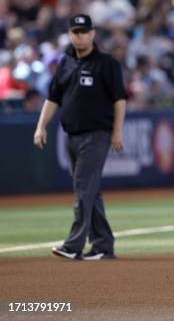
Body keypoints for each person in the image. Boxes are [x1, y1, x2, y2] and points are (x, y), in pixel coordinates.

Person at [33, 14, 128, 260]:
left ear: (93, 34)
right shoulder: (65, 63)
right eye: (75, 32)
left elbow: (119, 99)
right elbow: (53, 98)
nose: (79, 36)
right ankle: (103, 245)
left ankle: (73, 245)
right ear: (70, 35)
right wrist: (41, 126)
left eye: (84, 31)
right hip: (72, 136)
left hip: (97, 135)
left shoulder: (106, 63)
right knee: (91, 190)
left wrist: (117, 132)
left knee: (83, 188)